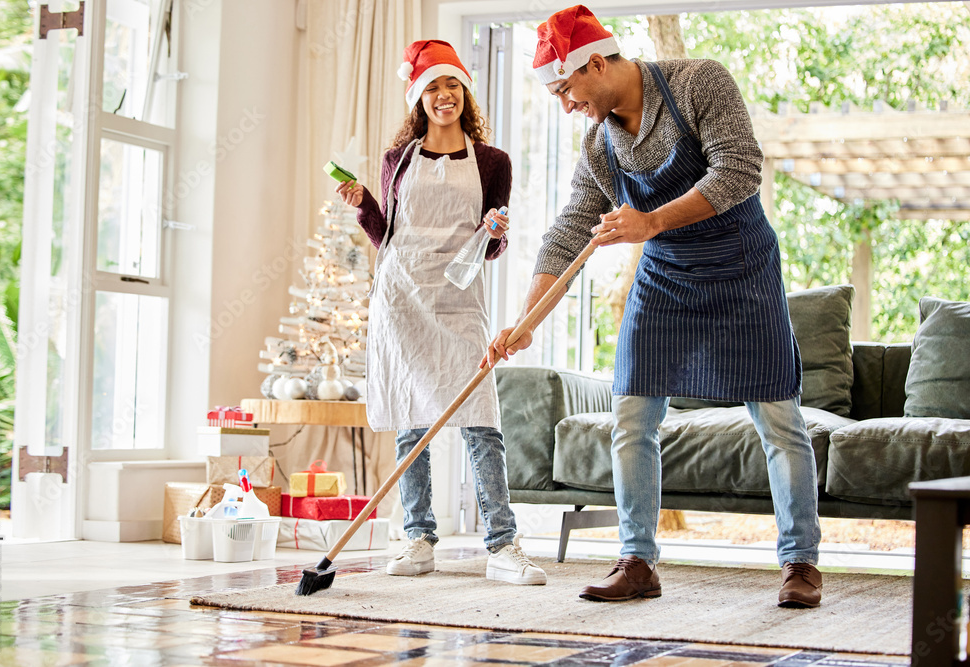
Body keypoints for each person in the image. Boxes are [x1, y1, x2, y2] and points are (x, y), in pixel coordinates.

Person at [484, 5, 822, 607]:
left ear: (594, 63)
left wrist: (651, 222)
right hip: (665, 277)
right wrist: (525, 320)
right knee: (633, 416)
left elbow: (739, 170)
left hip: (741, 269)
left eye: (568, 89)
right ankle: (637, 560)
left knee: (778, 419)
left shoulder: (699, 82)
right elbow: (570, 229)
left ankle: (800, 564)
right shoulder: (599, 144)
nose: (567, 105)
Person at [336, 39, 546, 586]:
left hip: (458, 300)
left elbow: (492, 247)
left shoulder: (492, 163)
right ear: (419, 98)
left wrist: (493, 234)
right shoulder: (395, 161)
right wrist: (363, 206)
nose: (443, 94)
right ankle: (418, 536)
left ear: (464, 91)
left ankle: (502, 544)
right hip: (402, 296)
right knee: (412, 419)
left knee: (480, 420)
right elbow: (388, 238)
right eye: (432, 87)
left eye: (451, 84)